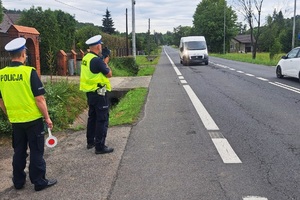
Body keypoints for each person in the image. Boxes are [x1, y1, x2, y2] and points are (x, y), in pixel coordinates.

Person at [0, 37, 57, 191]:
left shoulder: (1, 74)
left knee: (19, 151)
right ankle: (39, 182)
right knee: (36, 151)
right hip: (33, 120)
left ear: (11, 56)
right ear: (23, 54)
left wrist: (10, 117)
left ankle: (18, 182)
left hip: (16, 122)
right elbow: (40, 99)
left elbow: (1, 101)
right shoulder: (29, 72)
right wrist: (47, 118)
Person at [80, 35, 114, 154]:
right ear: (98, 46)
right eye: (101, 46)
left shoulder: (86, 58)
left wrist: (101, 60)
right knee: (102, 119)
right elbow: (109, 74)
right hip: (99, 93)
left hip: (90, 92)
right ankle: (100, 146)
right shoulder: (97, 61)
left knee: (92, 117)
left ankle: (91, 142)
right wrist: (105, 61)